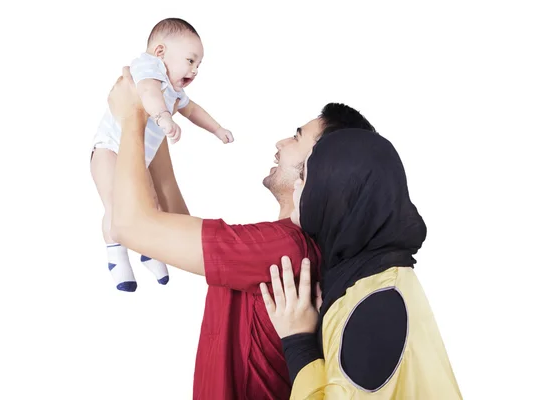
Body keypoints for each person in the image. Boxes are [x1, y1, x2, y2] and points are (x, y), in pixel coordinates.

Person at [106, 65, 375, 399]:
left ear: (323, 164)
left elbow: (129, 226)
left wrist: (131, 116)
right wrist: (152, 126)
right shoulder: (293, 247)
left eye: (296, 137)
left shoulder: (283, 249)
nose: (281, 142)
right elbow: (171, 230)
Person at [260, 129, 463, 399]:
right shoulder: (375, 280)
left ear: (340, 194)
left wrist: (298, 341)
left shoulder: (375, 305)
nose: (298, 187)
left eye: (308, 177)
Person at [90, 18, 233, 292]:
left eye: (198, 65)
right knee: (116, 205)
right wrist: (162, 116)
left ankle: (149, 250)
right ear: (160, 52)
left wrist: (216, 128)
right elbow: (147, 91)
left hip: (136, 159)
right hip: (108, 149)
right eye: (190, 61)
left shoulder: (175, 90)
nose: (195, 70)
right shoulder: (148, 67)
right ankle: (115, 254)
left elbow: (193, 111)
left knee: (150, 204)